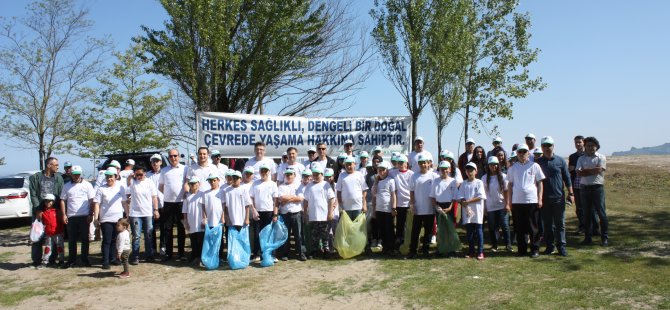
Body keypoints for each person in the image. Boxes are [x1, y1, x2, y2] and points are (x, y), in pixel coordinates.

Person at [536, 136, 573, 256]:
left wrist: (571, 193)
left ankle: (561, 247)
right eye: (545, 146)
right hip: (544, 199)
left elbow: (567, 178)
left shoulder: (560, 161)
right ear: (542, 147)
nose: (547, 148)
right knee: (547, 225)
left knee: (560, 224)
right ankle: (550, 246)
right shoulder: (538, 162)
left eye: (549, 145)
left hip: (558, 197)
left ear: (553, 146)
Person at [506, 144, 545, 258]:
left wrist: (540, 198)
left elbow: (540, 183)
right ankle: (522, 249)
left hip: (531, 201)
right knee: (519, 227)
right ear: (517, 153)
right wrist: (509, 202)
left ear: (529, 153)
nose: (522, 154)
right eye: (520, 152)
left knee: (533, 227)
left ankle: (535, 249)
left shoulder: (535, 166)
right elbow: (509, 185)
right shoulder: (512, 168)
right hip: (517, 201)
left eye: (524, 152)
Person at [29, 157, 64, 267]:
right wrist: (38, 209)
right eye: (56, 165)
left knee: (54, 236)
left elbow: (60, 194)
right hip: (40, 212)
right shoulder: (36, 177)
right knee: (37, 237)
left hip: (53, 213)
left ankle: (52, 259)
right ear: (49, 165)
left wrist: (59, 210)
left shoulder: (59, 178)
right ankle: (36, 260)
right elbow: (33, 194)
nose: (58, 167)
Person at [92, 167, 128, 270]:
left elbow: (124, 202)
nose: (109, 179)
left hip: (118, 219)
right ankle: (105, 261)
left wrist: (127, 214)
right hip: (106, 219)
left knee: (115, 240)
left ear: (115, 177)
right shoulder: (101, 189)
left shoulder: (120, 187)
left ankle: (114, 258)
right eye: (107, 177)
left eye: (111, 177)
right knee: (107, 240)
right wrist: (96, 218)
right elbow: (97, 204)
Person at [60, 165, 95, 268]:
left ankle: (84, 259)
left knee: (85, 239)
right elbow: (63, 200)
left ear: (81, 174)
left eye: (78, 174)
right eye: (74, 174)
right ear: (71, 174)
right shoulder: (66, 186)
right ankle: (72, 260)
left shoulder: (87, 185)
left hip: (84, 216)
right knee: (72, 240)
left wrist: (91, 214)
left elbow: (91, 200)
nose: (76, 176)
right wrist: (64, 214)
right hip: (71, 216)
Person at [577, 136, 609, 246]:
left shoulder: (601, 157)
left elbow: (599, 169)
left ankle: (604, 238)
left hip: (597, 188)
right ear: (585, 147)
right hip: (584, 189)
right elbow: (578, 173)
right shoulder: (581, 158)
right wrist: (593, 171)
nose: (590, 148)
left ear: (597, 147)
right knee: (586, 214)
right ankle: (587, 237)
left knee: (601, 213)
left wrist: (586, 171)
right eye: (588, 145)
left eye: (592, 146)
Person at [158, 149, 188, 261]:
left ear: (179, 156)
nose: (173, 158)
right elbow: (161, 187)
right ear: (168, 157)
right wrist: (168, 195)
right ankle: (169, 253)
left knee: (181, 228)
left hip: (180, 203)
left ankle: (181, 253)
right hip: (168, 203)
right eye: (171, 156)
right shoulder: (164, 170)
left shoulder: (185, 168)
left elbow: (187, 183)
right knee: (167, 229)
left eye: (175, 156)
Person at [127, 165, 159, 265]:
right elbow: (128, 184)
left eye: (141, 174)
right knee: (136, 235)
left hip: (148, 212)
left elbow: (154, 197)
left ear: (145, 173)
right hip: (135, 213)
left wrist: (156, 209)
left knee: (148, 234)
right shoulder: (133, 182)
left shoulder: (149, 182)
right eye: (137, 174)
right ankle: (135, 255)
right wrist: (130, 176)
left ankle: (149, 254)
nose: (139, 176)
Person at [303, 167, 336, 258]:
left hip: (324, 216)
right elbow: (305, 201)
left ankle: (326, 250)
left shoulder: (326, 184)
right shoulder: (309, 185)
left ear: (322, 174)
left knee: (325, 234)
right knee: (314, 235)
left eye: (317, 174)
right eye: (314, 174)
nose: (315, 176)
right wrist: (305, 213)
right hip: (313, 216)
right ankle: (315, 251)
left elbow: (331, 199)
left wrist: (330, 213)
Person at [407, 154, 436, 258]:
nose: (423, 165)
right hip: (418, 209)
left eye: (425, 162)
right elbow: (411, 192)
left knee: (428, 231)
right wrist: (412, 204)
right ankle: (413, 250)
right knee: (415, 231)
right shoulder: (414, 176)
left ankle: (425, 250)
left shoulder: (434, 176)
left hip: (430, 209)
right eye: (421, 163)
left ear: (429, 163)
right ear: (418, 164)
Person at [249, 164, 279, 262]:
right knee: (257, 235)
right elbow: (251, 198)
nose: (264, 173)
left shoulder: (273, 184)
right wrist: (253, 211)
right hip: (258, 212)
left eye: (266, 171)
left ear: (269, 172)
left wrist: (275, 214)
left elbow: (276, 200)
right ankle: (257, 255)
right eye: (262, 171)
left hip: (269, 212)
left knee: (270, 234)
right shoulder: (255, 183)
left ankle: (272, 255)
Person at [568, 135, 597, 235]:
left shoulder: (588, 155)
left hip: (588, 183)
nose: (578, 144)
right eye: (576, 142)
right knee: (579, 208)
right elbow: (571, 169)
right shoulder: (572, 156)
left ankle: (594, 228)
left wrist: (580, 169)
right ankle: (582, 226)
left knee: (591, 207)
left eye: (579, 142)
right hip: (576, 184)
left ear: (583, 143)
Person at [430, 161, 459, 256]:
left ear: (450, 169)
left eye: (446, 168)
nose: (444, 170)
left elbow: (455, 197)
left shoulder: (453, 181)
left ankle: (451, 249)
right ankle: (441, 248)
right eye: (442, 169)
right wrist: (436, 206)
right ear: (439, 170)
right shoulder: (435, 181)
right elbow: (433, 196)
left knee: (450, 228)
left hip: (449, 206)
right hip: (439, 206)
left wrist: (450, 207)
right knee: (441, 229)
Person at [458, 162, 487, 260]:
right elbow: (460, 196)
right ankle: (471, 251)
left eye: (471, 170)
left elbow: (480, 196)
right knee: (469, 232)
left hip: (477, 211)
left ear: (476, 171)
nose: (469, 172)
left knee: (479, 232)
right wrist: (463, 202)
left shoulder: (479, 182)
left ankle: (480, 251)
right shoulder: (463, 183)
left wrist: (468, 201)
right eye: (467, 170)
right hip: (467, 211)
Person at [482, 157, 511, 252]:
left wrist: (507, 204)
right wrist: (485, 207)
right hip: (490, 206)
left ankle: (508, 245)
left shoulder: (503, 176)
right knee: (492, 227)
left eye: (495, 164)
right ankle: (494, 245)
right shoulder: (484, 178)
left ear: (498, 165)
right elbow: (484, 194)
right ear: (488, 166)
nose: (493, 166)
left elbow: (506, 191)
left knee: (505, 226)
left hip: (502, 205)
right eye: (491, 164)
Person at [277, 169, 307, 261]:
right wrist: (293, 197)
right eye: (287, 174)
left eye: (290, 174)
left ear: (294, 175)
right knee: (285, 235)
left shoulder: (298, 185)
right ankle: (285, 253)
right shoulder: (281, 187)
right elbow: (281, 198)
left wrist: (287, 199)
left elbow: (301, 198)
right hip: (285, 214)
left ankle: (301, 253)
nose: (289, 176)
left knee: (298, 234)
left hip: (296, 213)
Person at [373, 161, 396, 255]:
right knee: (382, 229)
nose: (381, 172)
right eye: (379, 170)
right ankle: (385, 248)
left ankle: (391, 248)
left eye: (383, 170)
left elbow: (393, 195)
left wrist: (393, 208)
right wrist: (376, 181)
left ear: (387, 171)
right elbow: (374, 194)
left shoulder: (391, 180)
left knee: (389, 229)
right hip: (379, 209)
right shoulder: (377, 181)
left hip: (388, 209)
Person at [335, 157, 368, 221]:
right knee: (347, 229)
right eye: (346, 165)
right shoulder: (341, 175)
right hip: (345, 208)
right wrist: (340, 205)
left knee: (358, 229)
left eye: (350, 164)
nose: (348, 166)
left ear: (355, 164)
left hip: (358, 207)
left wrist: (364, 204)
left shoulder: (359, 175)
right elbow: (338, 191)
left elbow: (364, 190)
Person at [182, 177, 205, 266]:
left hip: (200, 221)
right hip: (191, 222)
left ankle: (200, 258)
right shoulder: (187, 196)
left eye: (195, 183)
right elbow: (185, 210)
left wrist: (204, 219)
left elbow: (204, 208)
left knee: (200, 240)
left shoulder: (202, 194)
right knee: (193, 240)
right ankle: (194, 257)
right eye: (191, 184)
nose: (193, 185)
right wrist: (185, 221)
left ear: (198, 184)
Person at [392, 154, 413, 251]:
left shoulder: (411, 174)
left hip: (408, 203)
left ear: (406, 163)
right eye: (398, 163)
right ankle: (398, 242)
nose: (400, 164)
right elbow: (382, 173)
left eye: (402, 162)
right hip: (399, 204)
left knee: (408, 224)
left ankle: (408, 241)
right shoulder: (393, 173)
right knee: (399, 224)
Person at [38, 194, 64, 269]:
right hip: (48, 233)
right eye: (46, 201)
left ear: (53, 202)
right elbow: (39, 220)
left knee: (60, 247)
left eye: (50, 201)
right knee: (47, 248)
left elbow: (61, 221)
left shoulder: (57, 211)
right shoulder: (43, 212)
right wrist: (39, 214)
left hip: (58, 233)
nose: (48, 203)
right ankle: (45, 261)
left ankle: (61, 261)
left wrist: (62, 232)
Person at [203, 173, 225, 260]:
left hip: (219, 220)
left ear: (218, 180)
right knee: (210, 239)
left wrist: (223, 217)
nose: (212, 182)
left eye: (214, 180)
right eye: (210, 181)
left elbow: (223, 206)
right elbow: (204, 207)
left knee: (219, 238)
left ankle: (220, 256)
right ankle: (212, 255)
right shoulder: (206, 193)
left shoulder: (221, 192)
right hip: (210, 220)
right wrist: (205, 217)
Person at [147, 154, 164, 255]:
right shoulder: (147, 175)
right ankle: (152, 247)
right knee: (151, 228)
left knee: (163, 227)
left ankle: (162, 246)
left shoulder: (164, 173)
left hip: (163, 204)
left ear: (161, 162)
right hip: (150, 205)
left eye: (157, 161)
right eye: (153, 161)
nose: (155, 163)